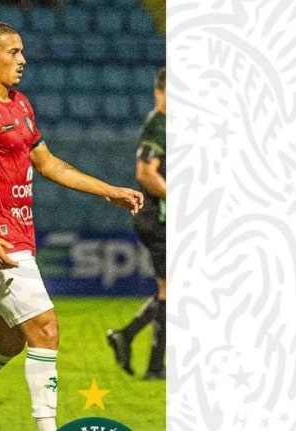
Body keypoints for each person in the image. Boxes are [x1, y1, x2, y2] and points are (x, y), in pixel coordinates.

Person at [0, 22, 144, 431]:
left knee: (7, 341)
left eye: (22, 52)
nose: (22, 60)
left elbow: (48, 163)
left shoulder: (20, 104)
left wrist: (107, 191)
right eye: (13, 52)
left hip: (19, 236)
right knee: (46, 329)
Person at [106, 66, 167, 380]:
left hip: (155, 217)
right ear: (161, 91)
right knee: (169, 291)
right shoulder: (160, 125)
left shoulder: (160, 122)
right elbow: (146, 173)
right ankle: (155, 366)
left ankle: (127, 338)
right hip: (158, 218)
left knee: (168, 291)